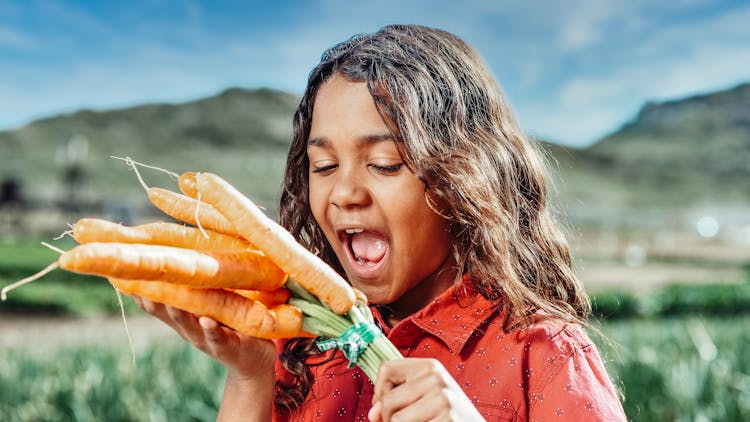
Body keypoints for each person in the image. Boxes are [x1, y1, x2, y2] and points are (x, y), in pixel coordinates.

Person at [135, 24, 627, 421]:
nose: (345, 193)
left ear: (463, 178)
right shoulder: (297, 352)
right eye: (323, 167)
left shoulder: (543, 356)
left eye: (385, 163)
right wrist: (248, 378)